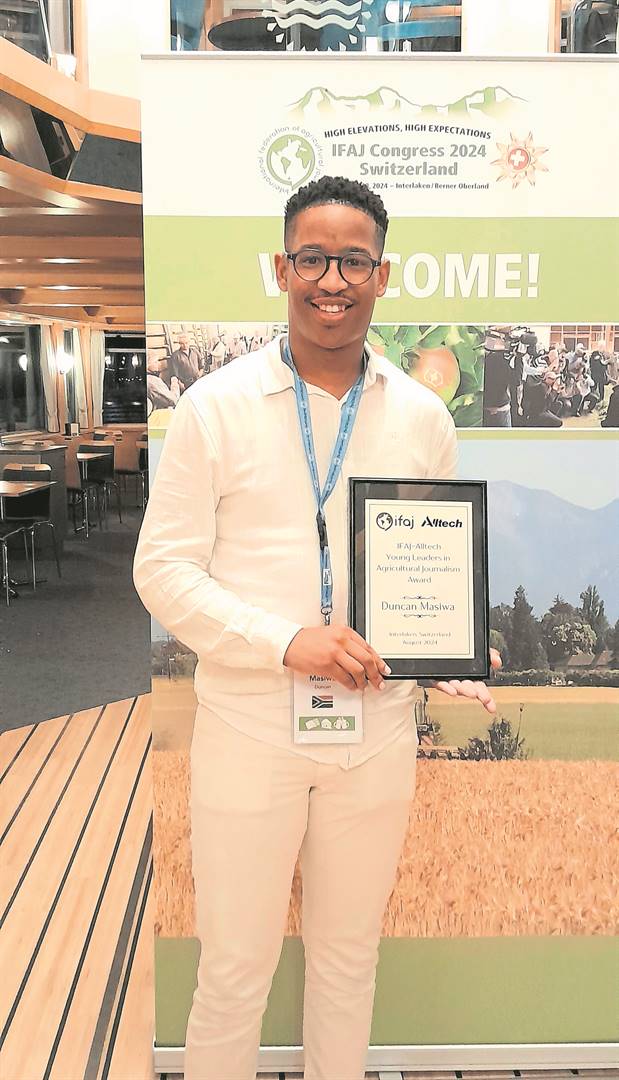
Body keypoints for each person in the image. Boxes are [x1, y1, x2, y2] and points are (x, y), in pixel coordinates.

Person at [133, 176, 500, 1080]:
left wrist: (443, 647)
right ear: (281, 268)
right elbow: (162, 571)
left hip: (374, 734)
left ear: (382, 275)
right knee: (232, 972)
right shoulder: (215, 407)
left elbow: (421, 565)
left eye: (353, 261)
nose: (331, 280)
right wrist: (283, 641)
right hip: (250, 726)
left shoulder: (421, 416)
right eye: (312, 259)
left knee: (347, 962)